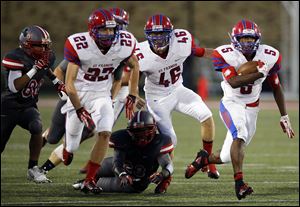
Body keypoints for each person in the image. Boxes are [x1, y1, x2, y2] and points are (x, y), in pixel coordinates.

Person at [185, 19, 295, 200]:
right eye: (243, 39)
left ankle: (203, 159)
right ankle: (240, 183)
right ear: (235, 39)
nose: (247, 43)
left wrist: (284, 116)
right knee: (240, 135)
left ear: (257, 39)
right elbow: (234, 82)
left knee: (228, 155)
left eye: (250, 39)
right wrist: (260, 73)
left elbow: (276, 86)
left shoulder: (269, 55)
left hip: (252, 108)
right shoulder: (227, 54)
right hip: (232, 103)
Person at [61, 8, 140, 194]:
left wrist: (133, 93)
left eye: (111, 30)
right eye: (103, 30)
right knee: (72, 144)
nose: (109, 34)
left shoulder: (124, 43)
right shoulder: (79, 44)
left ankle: (89, 179)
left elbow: (135, 64)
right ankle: (67, 147)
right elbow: (69, 84)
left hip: (101, 94)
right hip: (78, 94)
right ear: (92, 30)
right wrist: (79, 108)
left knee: (105, 132)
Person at [134, 14, 219, 182]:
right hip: (156, 98)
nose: (158, 39)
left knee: (207, 116)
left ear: (171, 34)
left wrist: (226, 55)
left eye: (162, 34)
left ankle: (207, 161)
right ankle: (166, 177)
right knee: (170, 139)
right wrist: (134, 94)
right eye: (154, 34)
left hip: (177, 90)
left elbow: (202, 52)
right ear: (147, 35)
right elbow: (129, 78)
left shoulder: (181, 42)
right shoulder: (140, 52)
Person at [1, 25, 67, 183]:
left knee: (36, 127)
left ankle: (33, 168)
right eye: (40, 45)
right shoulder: (15, 57)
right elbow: (14, 86)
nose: (44, 49)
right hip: (8, 106)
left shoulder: (46, 56)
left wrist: (57, 82)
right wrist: (34, 68)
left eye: (46, 45)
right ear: (26, 45)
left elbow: (46, 69)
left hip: (28, 105)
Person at [72, 111, 174, 194]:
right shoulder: (122, 138)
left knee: (116, 185)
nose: (141, 135)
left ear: (153, 128)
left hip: (135, 181)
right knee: (101, 165)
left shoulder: (159, 142)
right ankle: (88, 180)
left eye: (144, 130)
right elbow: (117, 163)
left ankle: (85, 183)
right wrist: (122, 174)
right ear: (129, 131)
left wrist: (162, 176)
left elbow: (169, 165)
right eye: (137, 131)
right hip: (122, 168)